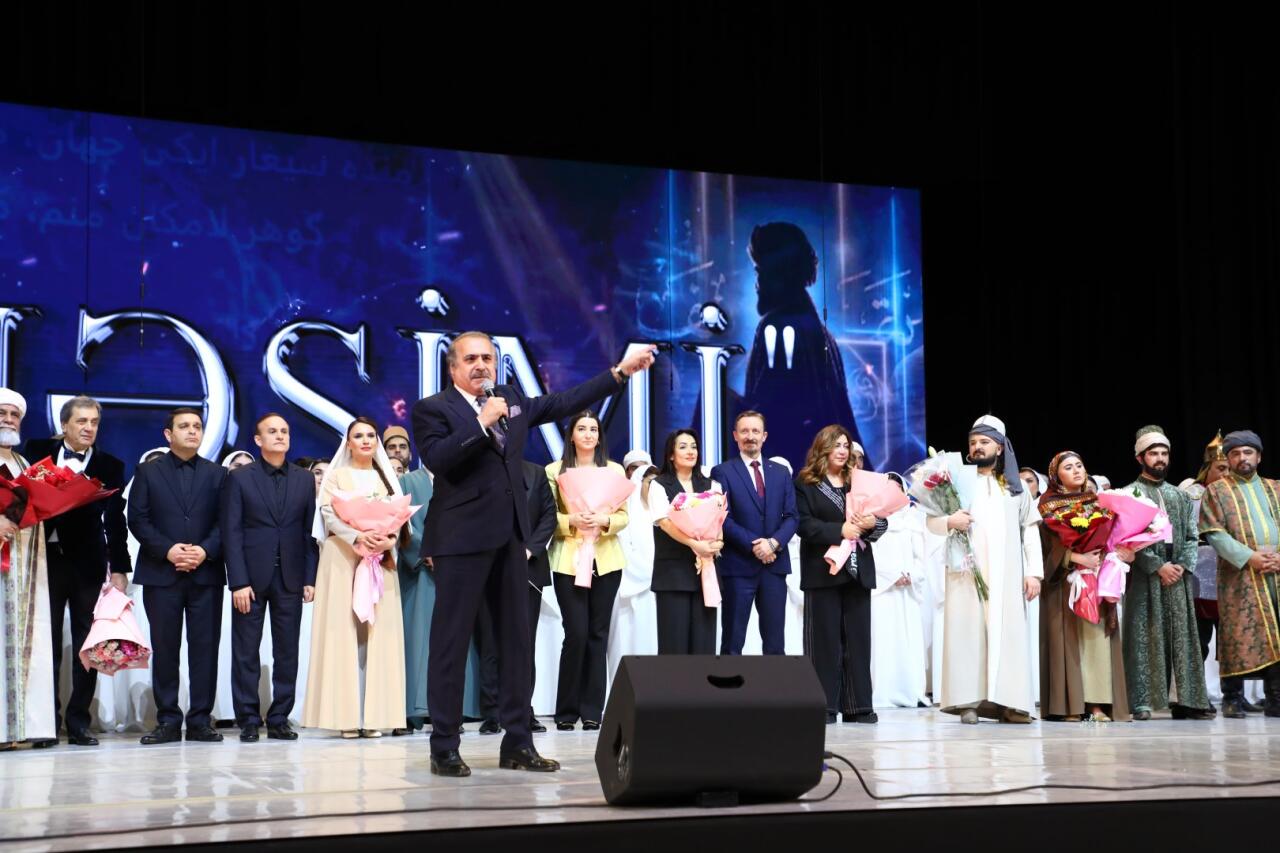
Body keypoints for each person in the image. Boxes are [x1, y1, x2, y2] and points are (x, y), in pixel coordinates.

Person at [411, 331, 654, 776]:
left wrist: (619, 373)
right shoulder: (433, 408)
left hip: (511, 542)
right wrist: (480, 422)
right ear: (453, 367)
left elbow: (562, 402)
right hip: (460, 542)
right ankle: (444, 745)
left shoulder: (511, 399)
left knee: (517, 643)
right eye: (471, 359)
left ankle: (518, 743)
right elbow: (438, 459)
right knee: (451, 643)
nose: (481, 365)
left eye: (488, 358)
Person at [24, 395, 130, 747]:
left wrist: (120, 568)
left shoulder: (110, 465)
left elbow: (115, 520)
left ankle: (79, 721)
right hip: (45, 561)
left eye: (94, 422)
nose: (88, 428)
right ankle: (45, 722)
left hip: (88, 564)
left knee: (88, 644)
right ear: (65, 424)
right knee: (46, 642)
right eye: (81, 421)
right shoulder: (36, 451)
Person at [925, 415, 1042, 724]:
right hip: (966, 572)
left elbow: (1030, 530)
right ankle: (968, 703)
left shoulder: (1016, 488)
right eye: (973, 442)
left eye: (984, 442)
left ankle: (1010, 704)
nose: (977, 447)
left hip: (1006, 575)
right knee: (967, 633)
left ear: (1000, 448)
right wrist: (950, 521)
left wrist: (1033, 573)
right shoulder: (955, 482)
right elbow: (931, 522)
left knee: (1009, 636)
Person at [302, 417, 406, 737]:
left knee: (379, 635)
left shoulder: (386, 477)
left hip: (378, 559)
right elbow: (329, 514)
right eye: (358, 436)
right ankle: (344, 718)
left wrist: (387, 540)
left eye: (370, 435)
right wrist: (357, 537)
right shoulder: (336, 476)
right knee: (341, 634)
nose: (365, 440)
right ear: (348, 443)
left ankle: (375, 717)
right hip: (341, 558)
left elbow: (399, 517)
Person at [128, 407, 227, 744]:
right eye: (184, 426)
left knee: (205, 649)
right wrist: (169, 550)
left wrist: (205, 550)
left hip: (205, 573)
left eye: (197, 426)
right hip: (161, 572)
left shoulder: (218, 474)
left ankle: (200, 720)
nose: (192, 431)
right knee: (165, 648)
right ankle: (168, 720)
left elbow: (227, 521)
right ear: (168, 434)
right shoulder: (147, 471)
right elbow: (137, 519)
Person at [220, 413, 319, 742]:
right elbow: (231, 532)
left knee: (287, 651)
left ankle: (279, 717)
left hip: (290, 576)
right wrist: (238, 581)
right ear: (258, 440)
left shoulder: (304, 479)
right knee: (246, 651)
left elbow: (308, 532)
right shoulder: (240, 478)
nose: (280, 436)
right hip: (250, 578)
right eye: (272, 431)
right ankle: (248, 718)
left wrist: (310, 577)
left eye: (285, 431)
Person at [739, 222, 863, 470]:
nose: (757, 283)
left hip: (793, 473)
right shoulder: (817, 329)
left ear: (779, 275)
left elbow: (772, 413)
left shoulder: (780, 327)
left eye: (760, 272)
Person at [1121, 427, 1213, 720]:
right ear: (1140, 458)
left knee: (1182, 636)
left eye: (1164, 453)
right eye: (1153, 453)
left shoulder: (1180, 496)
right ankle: (1142, 702)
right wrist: (1157, 565)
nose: (1160, 459)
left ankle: (1186, 701)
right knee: (1144, 635)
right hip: (1146, 576)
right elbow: (1126, 539)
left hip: (1178, 575)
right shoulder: (1129, 494)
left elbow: (1192, 536)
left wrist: (1182, 565)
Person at [794, 425, 885, 723]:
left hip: (857, 570)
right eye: (837, 445)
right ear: (823, 448)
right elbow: (804, 525)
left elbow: (882, 522)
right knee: (823, 641)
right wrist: (840, 530)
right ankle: (823, 705)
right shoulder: (806, 483)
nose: (843, 451)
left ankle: (859, 706)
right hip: (823, 570)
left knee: (858, 641)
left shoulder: (858, 481)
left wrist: (872, 523)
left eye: (846, 445)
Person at [545, 411, 629, 731]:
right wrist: (572, 521)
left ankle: (593, 710)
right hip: (568, 559)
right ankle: (566, 710)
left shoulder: (614, 470)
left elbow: (624, 516)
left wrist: (605, 521)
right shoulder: (554, 471)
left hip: (606, 560)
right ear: (571, 435)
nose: (588, 434)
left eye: (594, 429)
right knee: (576, 633)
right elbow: (547, 516)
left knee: (598, 634)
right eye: (582, 428)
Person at [1037, 451, 1130, 722]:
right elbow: (1044, 548)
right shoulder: (1047, 506)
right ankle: (1070, 705)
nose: (1077, 470)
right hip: (1064, 584)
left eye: (1079, 465)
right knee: (1068, 641)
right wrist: (1076, 558)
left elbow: (1112, 539)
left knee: (1096, 640)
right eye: (1068, 467)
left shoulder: (1100, 504)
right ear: (1056, 476)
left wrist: (1121, 554)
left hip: (1096, 579)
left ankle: (1097, 704)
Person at [1198, 430, 1280, 717]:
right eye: (1235, 453)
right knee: (1237, 633)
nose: (1242, 458)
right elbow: (1214, 534)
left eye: (1248, 452)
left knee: (1277, 632)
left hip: (1276, 572)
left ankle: (1275, 698)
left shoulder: (1275, 488)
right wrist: (1249, 557)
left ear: (1259, 456)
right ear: (1228, 459)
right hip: (1239, 575)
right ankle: (1232, 697)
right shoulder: (1216, 491)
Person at [709, 411, 798, 655]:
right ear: (735, 436)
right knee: (733, 643)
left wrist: (773, 544)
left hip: (774, 567)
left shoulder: (781, 472)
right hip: (738, 567)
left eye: (755, 431)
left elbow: (792, 516)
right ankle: (729, 683)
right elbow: (722, 518)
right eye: (745, 431)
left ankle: (774, 683)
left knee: (775, 645)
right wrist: (756, 545)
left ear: (764, 436)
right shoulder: (722, 472)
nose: (750, 436)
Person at [0, 388, 57, 748]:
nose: (8, 420)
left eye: (14, 415)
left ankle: (28, 727)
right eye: (2, 413)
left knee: (32, 640)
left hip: (28, 567)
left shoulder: (25, 466)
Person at [648, 429, 723, 654]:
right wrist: (694, 544)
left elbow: (719, 520)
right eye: (683, 447)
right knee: (674, 646)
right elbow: (664, 523)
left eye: (694, 447)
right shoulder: (659, 485)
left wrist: (717, 543)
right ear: (671, 455)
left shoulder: (712, 485)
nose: (690, 451)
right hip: (672, 574)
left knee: (704, 646)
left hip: (705, 573)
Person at [869, 473, 929, 708]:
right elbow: (869, 557)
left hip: (907, 592)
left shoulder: (913, 521)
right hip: (881, 591)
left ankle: (911, 691)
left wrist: (911, 575)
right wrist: (891, 576)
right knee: (882, 642)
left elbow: (921, 558)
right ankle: (882, 692)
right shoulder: (871, 520)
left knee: (908, 640)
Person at [395, 450, 434, 736]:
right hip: (419, 570)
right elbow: (401, 521)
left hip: (455, 569)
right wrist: (427, 551)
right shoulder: (407, 482)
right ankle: (410, 710)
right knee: (415, 638)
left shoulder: (461, 480)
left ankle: (450, 709)